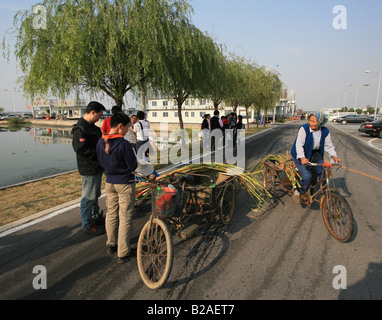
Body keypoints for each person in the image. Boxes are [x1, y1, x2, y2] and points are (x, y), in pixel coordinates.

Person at [96, 112, 138, 264]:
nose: (127, 130)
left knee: (111, 213)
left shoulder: (100, 142)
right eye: (127, 127)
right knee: (125, 217)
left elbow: (100, 162)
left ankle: (111, 243)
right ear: (120, 126)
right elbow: (133, 165)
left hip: (109, 183)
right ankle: (123, 252)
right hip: (124, 183)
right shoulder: (123, 144)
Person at [72, 101, 106, 236]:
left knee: (95, 195)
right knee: (88, 197)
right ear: (92, 112)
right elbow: (80, 148)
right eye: (99, 115)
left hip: (97, 167)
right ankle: (86, 225)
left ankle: (95, 217)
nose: (99, 118)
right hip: (89, 167)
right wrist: (98, 155)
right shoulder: (80, 129)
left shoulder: (92, 127)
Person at [290, 112, 341, 203]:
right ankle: (299, 190)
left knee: (323, 172)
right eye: (310, 120)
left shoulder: (325, 131)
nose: (311, 123)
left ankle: (325, 194)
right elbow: (299, 145)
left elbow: (329, 146)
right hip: (300, 154)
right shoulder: (304, 129)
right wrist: (302, 158)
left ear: (320, 122)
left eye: (314, 121)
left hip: (315, 154)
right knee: (307, 176)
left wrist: (334, 157)